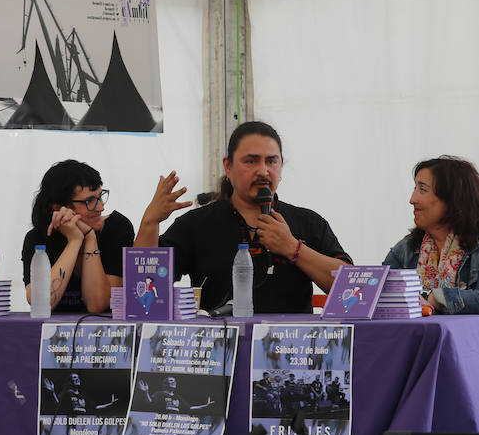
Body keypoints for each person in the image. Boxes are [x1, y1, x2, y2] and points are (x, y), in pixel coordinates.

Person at [134, 121, 352, 313]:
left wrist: (294, 249)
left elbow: (352, 289)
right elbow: (143, 294)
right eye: (251, 161)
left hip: (291, 352)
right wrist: (149, 223)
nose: (263, 171)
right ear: (228, 166)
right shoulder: (195, 224)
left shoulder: (308, 222)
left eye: (271, 161)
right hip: (219, 352)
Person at [383, 155, 479, 362]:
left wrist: (433, 298)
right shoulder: (407, 248)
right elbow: (380, 294)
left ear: (452, 199)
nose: (412, 199)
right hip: (420, 356)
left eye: (422, 189)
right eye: (415, 189)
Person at [22, 160, 134, 313]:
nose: (101, 207)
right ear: (58, 207)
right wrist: (74, 241)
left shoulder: (117, 228)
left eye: (100, 196)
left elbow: (98, 304)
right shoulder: (37, 238)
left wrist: (90, 238)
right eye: (90, 201)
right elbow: (41, 303)